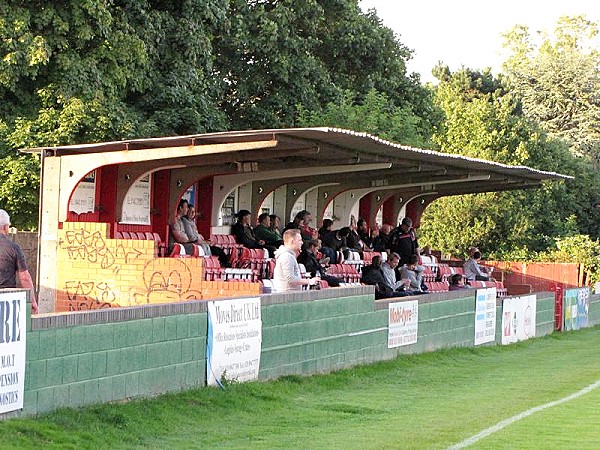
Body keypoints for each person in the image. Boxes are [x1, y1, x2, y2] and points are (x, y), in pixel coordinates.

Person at [0, 210, 38, 313]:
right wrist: (32, 302)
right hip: (6, 300)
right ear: (5, 227)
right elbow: (24, 278)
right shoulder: (13, 248)